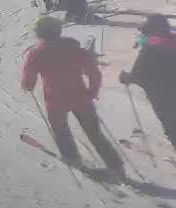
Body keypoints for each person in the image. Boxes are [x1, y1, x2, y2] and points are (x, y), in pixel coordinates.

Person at [20, 16, 124, 176]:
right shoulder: (75, 48)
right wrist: (93, 91)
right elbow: (94, 73)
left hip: (55, 102)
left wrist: (27, 86)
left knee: (61, 131)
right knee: (94, 132)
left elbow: (28, 79)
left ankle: (72, 158)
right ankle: (115, 164)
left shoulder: (36, 54)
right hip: (81, 97)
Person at [119, 15, 176, 171]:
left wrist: (126, 78)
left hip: (163, 96)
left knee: (172, 126)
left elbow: (139, 74)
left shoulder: (151, 49)